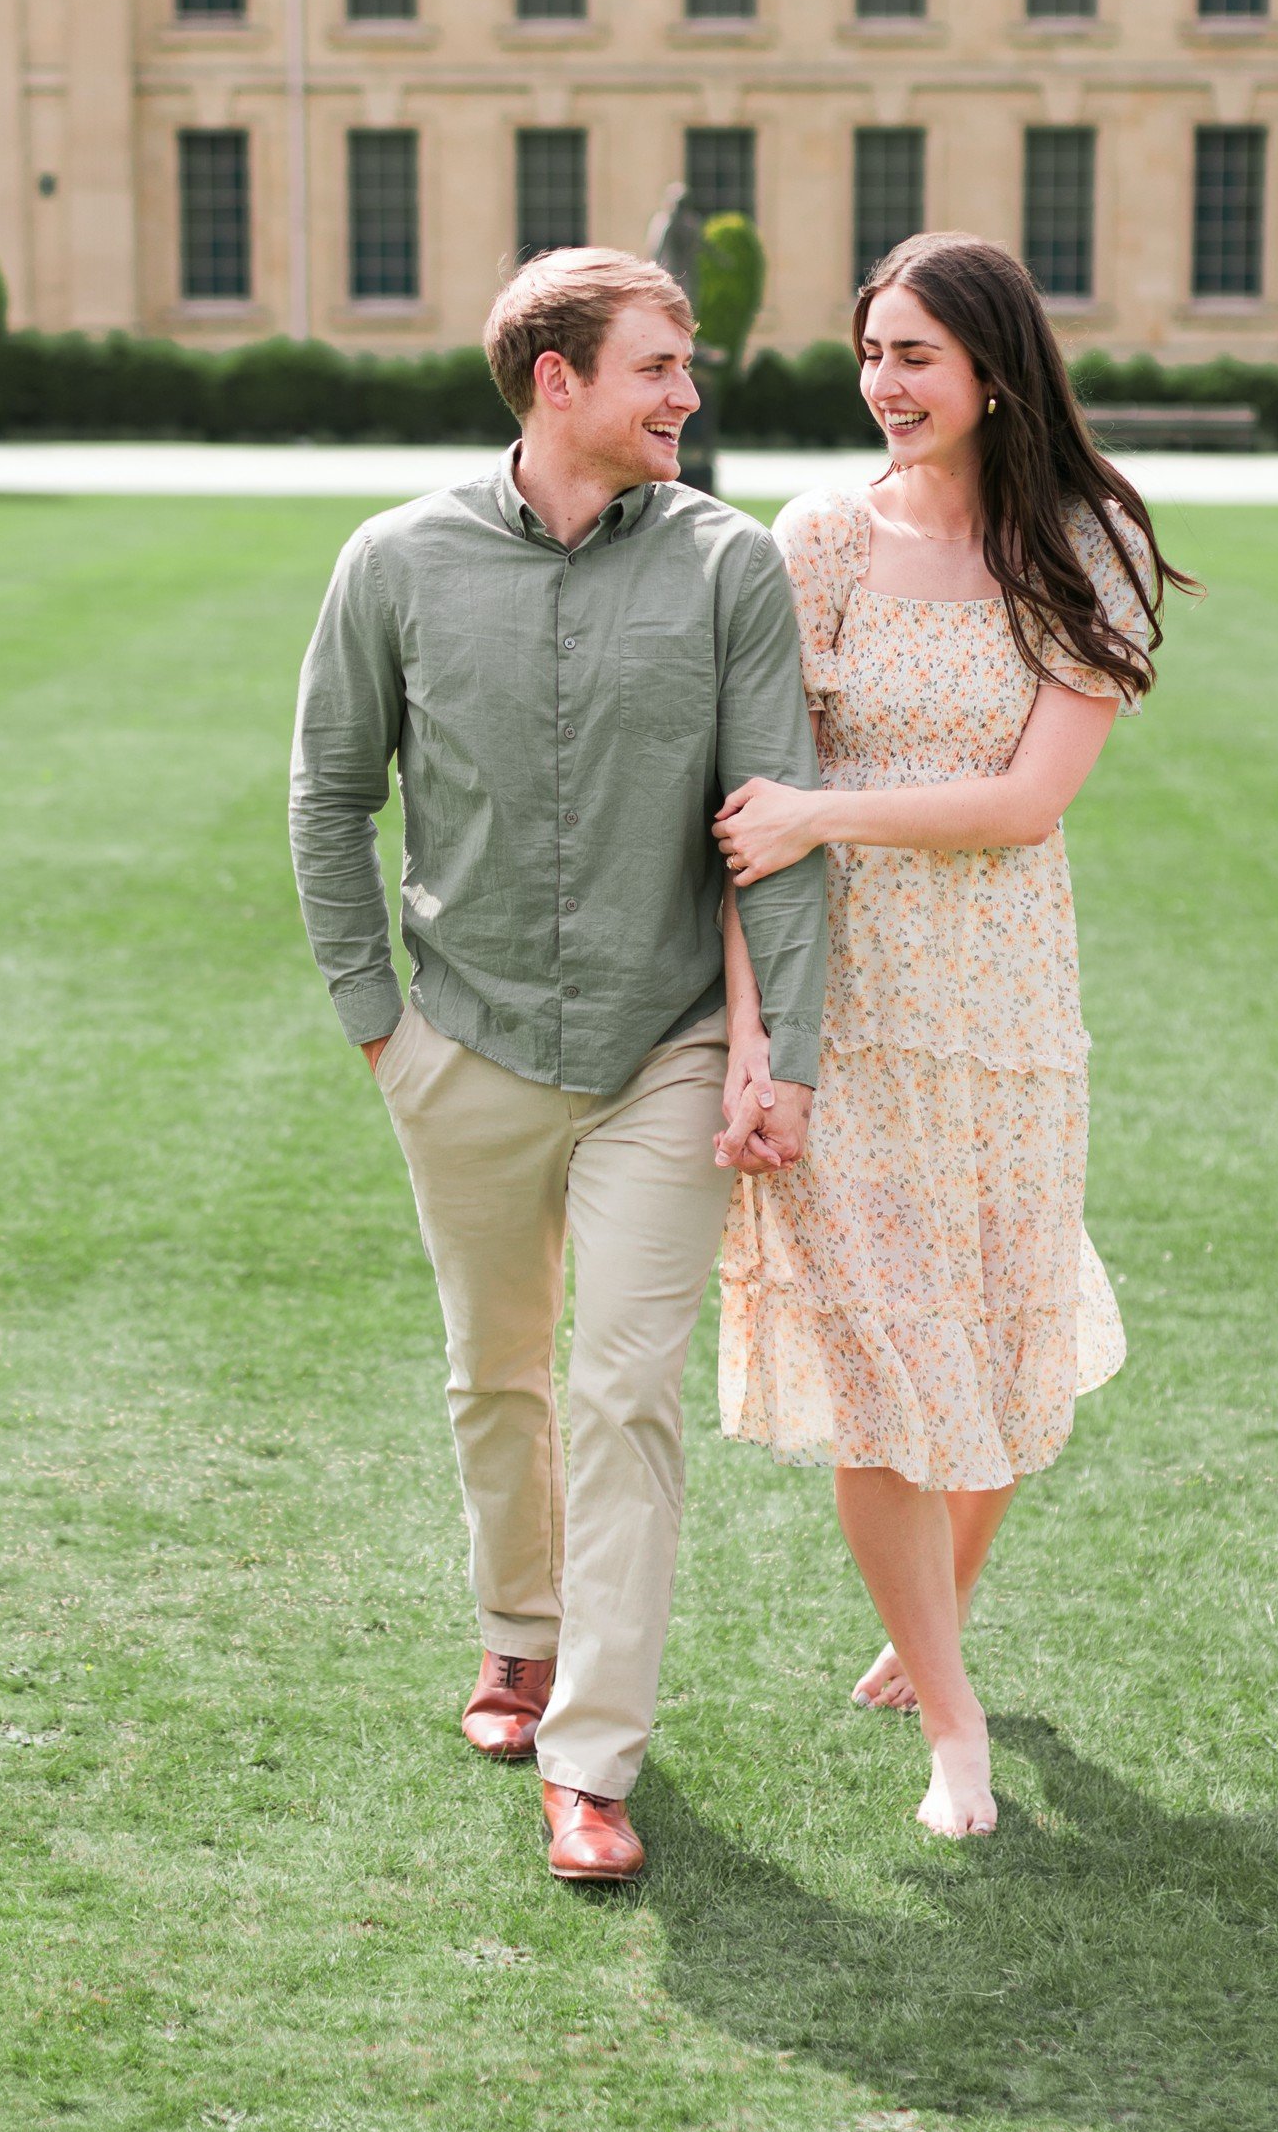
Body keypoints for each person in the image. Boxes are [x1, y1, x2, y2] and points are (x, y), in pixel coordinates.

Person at [288, 249, 825, 1886]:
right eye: (660, 366)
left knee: (625, 1392)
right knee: (497, 1370)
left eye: (689, 364)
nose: (690, 393)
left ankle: (592, 1760)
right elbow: (328, 797)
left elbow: (777, 827)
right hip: (463, 1040)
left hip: (669, 1045)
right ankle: (516, 1632)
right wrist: (380, 1020)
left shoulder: (732, 568)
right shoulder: (395, 560)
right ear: (558, 380)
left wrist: (777, 1054)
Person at [712, 232, 1188, 1839]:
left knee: (995, 1354)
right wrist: (751, 1037)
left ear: (993, 367)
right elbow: (745, 817)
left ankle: (928, 1635)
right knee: (879, 1368)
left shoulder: (1087, 539)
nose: (885, 385)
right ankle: (957, 1722)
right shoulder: (819, 542)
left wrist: (822, 813)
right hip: (842, 1013)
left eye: (914, 354)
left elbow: (1026, 802)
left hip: (1004, 1011)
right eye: (871, 353)